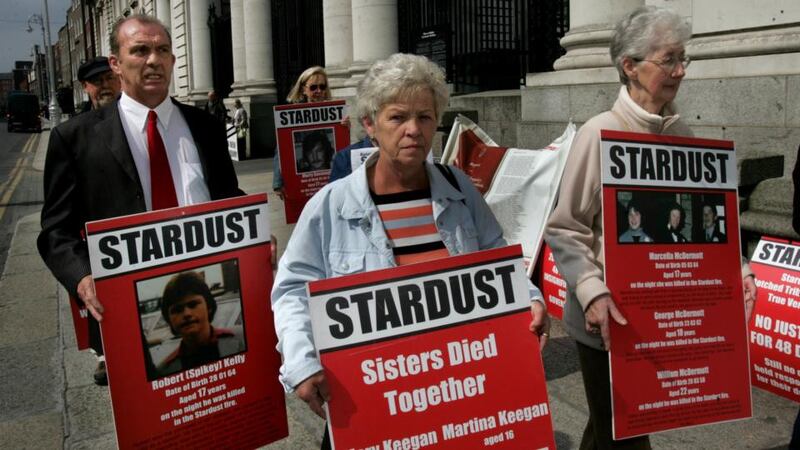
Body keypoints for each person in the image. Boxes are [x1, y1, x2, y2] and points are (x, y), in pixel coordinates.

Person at [271, 53, 549, 449]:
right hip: (370, 402)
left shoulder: (460, 191)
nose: (413, 130)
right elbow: (292, 290)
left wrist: (531, 298)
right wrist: (300, 362)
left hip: (454, 392)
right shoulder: (330, 206)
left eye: (425, 117)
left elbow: (497, 258)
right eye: (398, 117)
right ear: (370, 124)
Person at [543, 7, 757, 449]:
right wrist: (591, 289)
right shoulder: (598, 134)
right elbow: (565, 227)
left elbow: (709, 225)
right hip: (606, 321)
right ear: (630, 66)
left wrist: (739, 270)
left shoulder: (687, 139)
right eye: (669, 60)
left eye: (684, 59)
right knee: (624, 434)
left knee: (612, 429)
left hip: (664, 321)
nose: (680, 71)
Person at [37, 14, 244, 386]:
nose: (153, 60)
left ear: (173, 60)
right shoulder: (74, 139)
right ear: (115, 64)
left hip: (204, 301)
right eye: (140, 50)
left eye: (163, 49)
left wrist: (254, 230)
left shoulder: (206, 128)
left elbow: (228, 199)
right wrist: (83, 277)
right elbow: (56, 232)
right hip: (127, 316)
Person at [155, 271, 245, 377]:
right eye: (177, 310)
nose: (186, 314)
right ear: (168, 319)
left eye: (193, 305)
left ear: (209, 306)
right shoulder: (164, 371)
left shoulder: (242, 338)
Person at [273, 66, 332, 200]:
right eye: (313, 87)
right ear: (303, 89)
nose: (318, 91)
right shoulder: (291, 116)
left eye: (322, 87)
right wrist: (278, 182)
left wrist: (345, 127)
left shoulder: (338, 112)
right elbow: (281, 150)